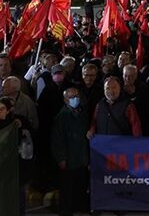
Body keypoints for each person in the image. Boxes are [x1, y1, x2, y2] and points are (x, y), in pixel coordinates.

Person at [51, 86, 90, 216]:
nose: (75, 99)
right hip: (69, 158)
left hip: (81, 156)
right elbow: (57, 140)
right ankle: (66, 209)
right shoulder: (62, 117)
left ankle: (79, 206)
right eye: (71, 97)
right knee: (67, 186)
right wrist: (61, 158)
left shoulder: (82, 113)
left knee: (80, 184)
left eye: (76, 96)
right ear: (65, 99)